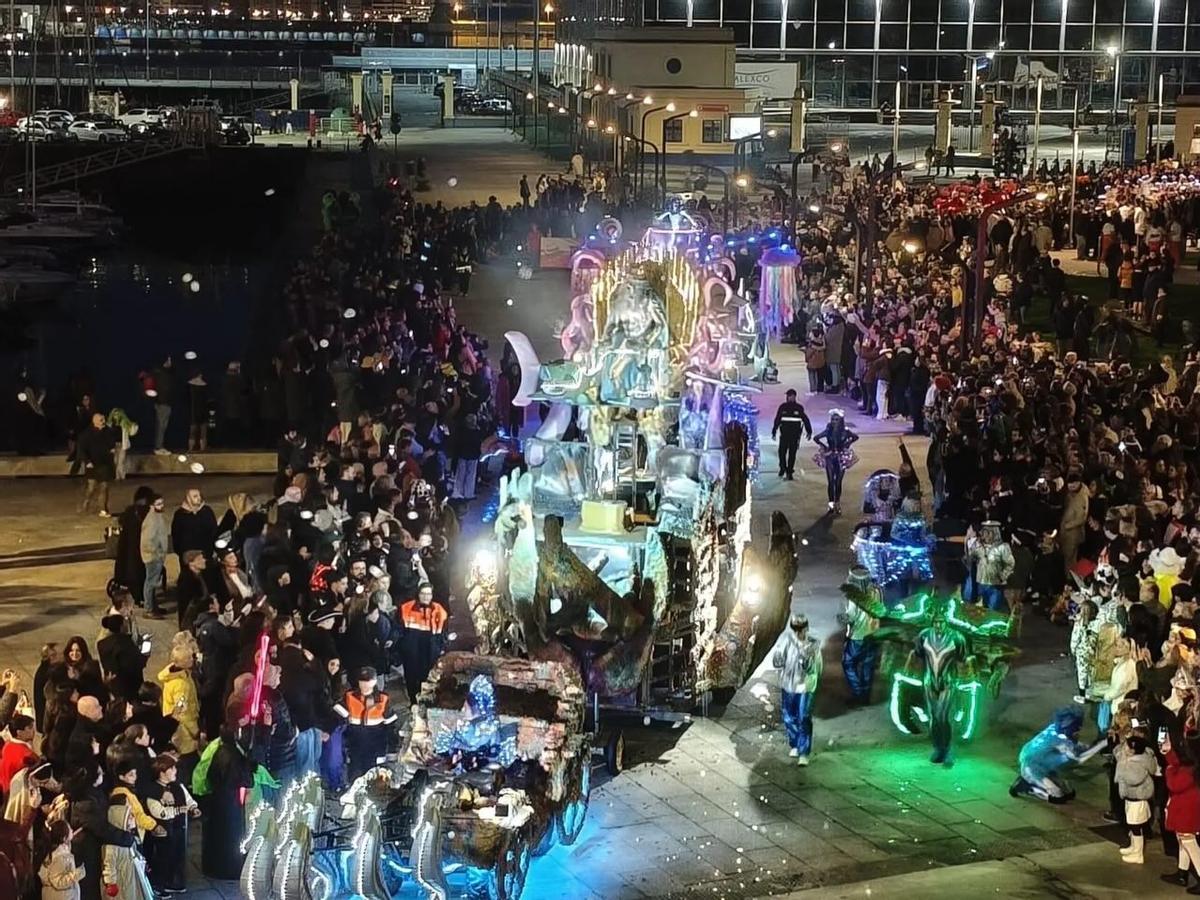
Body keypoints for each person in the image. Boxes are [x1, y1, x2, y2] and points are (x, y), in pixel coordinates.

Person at [1010, 708, 1106, 802]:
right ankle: (1028, 787)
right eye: (1077, 728)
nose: (1079, 730)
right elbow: (1079, 759)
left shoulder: (1054, 728)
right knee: (1058, 796)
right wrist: (1103, 744)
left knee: (1069, 793)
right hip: (1031, 767)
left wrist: (1087, 745)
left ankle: (1039, 780)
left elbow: (1075, 746)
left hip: (1037, 760)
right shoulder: (1062, 741)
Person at [144, 755, 197, 895]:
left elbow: (188, 799)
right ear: (162, 772)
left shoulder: (178, 786)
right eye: (171, 768)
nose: (175, 771)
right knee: (163, 857)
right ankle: (160, 884)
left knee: (177, 856)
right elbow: (158, 812)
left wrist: (193, 808)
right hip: (163, 831)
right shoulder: (152, 790)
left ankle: (174, 882)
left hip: (179, 828)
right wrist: (178, 810)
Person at [772, 614, 821, 765]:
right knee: (788, 717)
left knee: (804, 717)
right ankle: (794, 743)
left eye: (801, 629)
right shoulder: (787, 640)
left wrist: (806, 657)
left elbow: (815, 669)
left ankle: (804, 752)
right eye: (795, 629)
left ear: (806, 628)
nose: (798, 632)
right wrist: (778, 656)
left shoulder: (813, 645)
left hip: (805, 687)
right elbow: (778, 662)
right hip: (789, 685)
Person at [336, 666, 398, 782]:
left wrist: (391, 750)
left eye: (368, 681)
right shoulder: (349, 696)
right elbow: (338, 715)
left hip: (375, 748)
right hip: (355, 746)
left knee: (373, 780)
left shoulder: (383, 699)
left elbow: (391, 726)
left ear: (374, 682)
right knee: (354, 777)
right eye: (362, 681)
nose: (365, 685)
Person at [397, 583, 449, 702]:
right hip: (411, 653)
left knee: (428, 680)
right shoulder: (406, 608)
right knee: (411, 679)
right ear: (418, 594)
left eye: (428, 594)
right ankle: (413, 703)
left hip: (430, 653)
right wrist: (403, 649)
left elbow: (444, 631)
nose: (426, 597)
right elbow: (399, 631)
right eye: (423, 593)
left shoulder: (439, 610)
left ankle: (425, 702)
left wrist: (440, 647)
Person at [1114, 733, 1159, 864]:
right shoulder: (1130, 758)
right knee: (1132, 825)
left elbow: (1133, 779)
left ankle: (1138, 854)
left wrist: (1123, 765)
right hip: (1130, 798)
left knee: (1136, 827)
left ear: (1133, 750)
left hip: (1137, 799)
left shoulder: (1139, 763)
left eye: (1127, 747)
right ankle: (1133, 848)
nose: (1124, 749)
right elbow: (1117, 753)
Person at [838, 567, 879, 705]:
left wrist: (842, 618)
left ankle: (858, 693)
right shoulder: (876, 591)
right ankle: (866, 697)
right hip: (873, 634)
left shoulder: (854, 596)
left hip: (858, 636)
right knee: (867, 666)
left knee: (848, 663)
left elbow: (851, 616)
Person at [812, 409, 859, 514]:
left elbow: (855, 437)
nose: (834, 421)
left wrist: (848, 444)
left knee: (838, 482)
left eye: (836, 419)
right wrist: (825, 447)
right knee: (831, 482)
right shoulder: (828, 430)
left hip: (841, 457)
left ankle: (837, 503)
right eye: (833, 419)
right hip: (830, 457)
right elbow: (816, 438)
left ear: (841, 420)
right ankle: (831, 504)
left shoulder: (845, 431)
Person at [965, 521, 1015, 611]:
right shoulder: (978, 545)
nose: (985, 534)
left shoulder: (1003, 547)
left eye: (988, 532)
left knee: (993, 611)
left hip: (995, 585)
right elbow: (970, 557)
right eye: (984, 531)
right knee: (980, 610)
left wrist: (1002, 576)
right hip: (981, 583)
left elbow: (1010, 564)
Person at [97, 615, 147, 702]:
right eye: (125, 623)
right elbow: (135, 664)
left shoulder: (101, 643)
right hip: (128, 685)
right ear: (121, 626)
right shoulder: (126, 644)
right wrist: (145, 655)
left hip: (112, 684)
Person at [76, 413, 116, 517]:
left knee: (104, 486)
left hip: (104, 464)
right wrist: (87, 461)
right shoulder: (86, 434)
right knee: (91, 487)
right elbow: (81, 449)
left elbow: (112, 444)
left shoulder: (108, 431)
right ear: (95, 422)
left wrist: (112, 450)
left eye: (103, 419)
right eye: (101, 420)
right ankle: (85, 503)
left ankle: (103, 509)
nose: (103, 422)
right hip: (92, 465)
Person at [38, 820, 86, 900]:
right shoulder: (59, 857)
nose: (72, 830)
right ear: (63, 838)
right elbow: (58, 882)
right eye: (69, 829)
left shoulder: (60, 851)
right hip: (62, 896)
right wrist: (78, 873)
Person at [170, 489, 217, 571]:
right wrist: (181, 552)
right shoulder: (180, 514)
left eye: (199, 495)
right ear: (188, 498)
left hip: (205, 554)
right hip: (187, 556)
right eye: (195, 496)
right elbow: (176, 535)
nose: (199, 498)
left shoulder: (207, 511)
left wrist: (210, 550)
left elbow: (214, 531)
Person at [771, 389, 812, 480]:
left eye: (791, 396)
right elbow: (777, 419)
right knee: (781, 453)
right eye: (789, 396)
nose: (789, 397)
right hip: (784, 435)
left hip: (794, 436)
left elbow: (805, 420)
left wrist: (809, 431)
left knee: (792, 454)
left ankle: (789, 471)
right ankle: (782, 468)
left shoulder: (799, 408)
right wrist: (774, 431)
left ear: (794, 397)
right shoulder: (782, 407)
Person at [139, 493, 168, 618]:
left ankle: (153, 606)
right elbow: (147, 541)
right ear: (151, 505)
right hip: (153, 557)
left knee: (153, 583)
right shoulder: (152, 519)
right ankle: (149, 609)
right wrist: (158, 553)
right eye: (158, 504)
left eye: (162, 503)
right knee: (150, 583)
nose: (161, 506)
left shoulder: (157, 516)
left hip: (155, 555)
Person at [0, 714, 37, 793]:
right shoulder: (27, 755)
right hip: (18, 793)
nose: (33, 731)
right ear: (19, 733)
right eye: (30, 728)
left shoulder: (6, 746)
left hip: (4, 789)